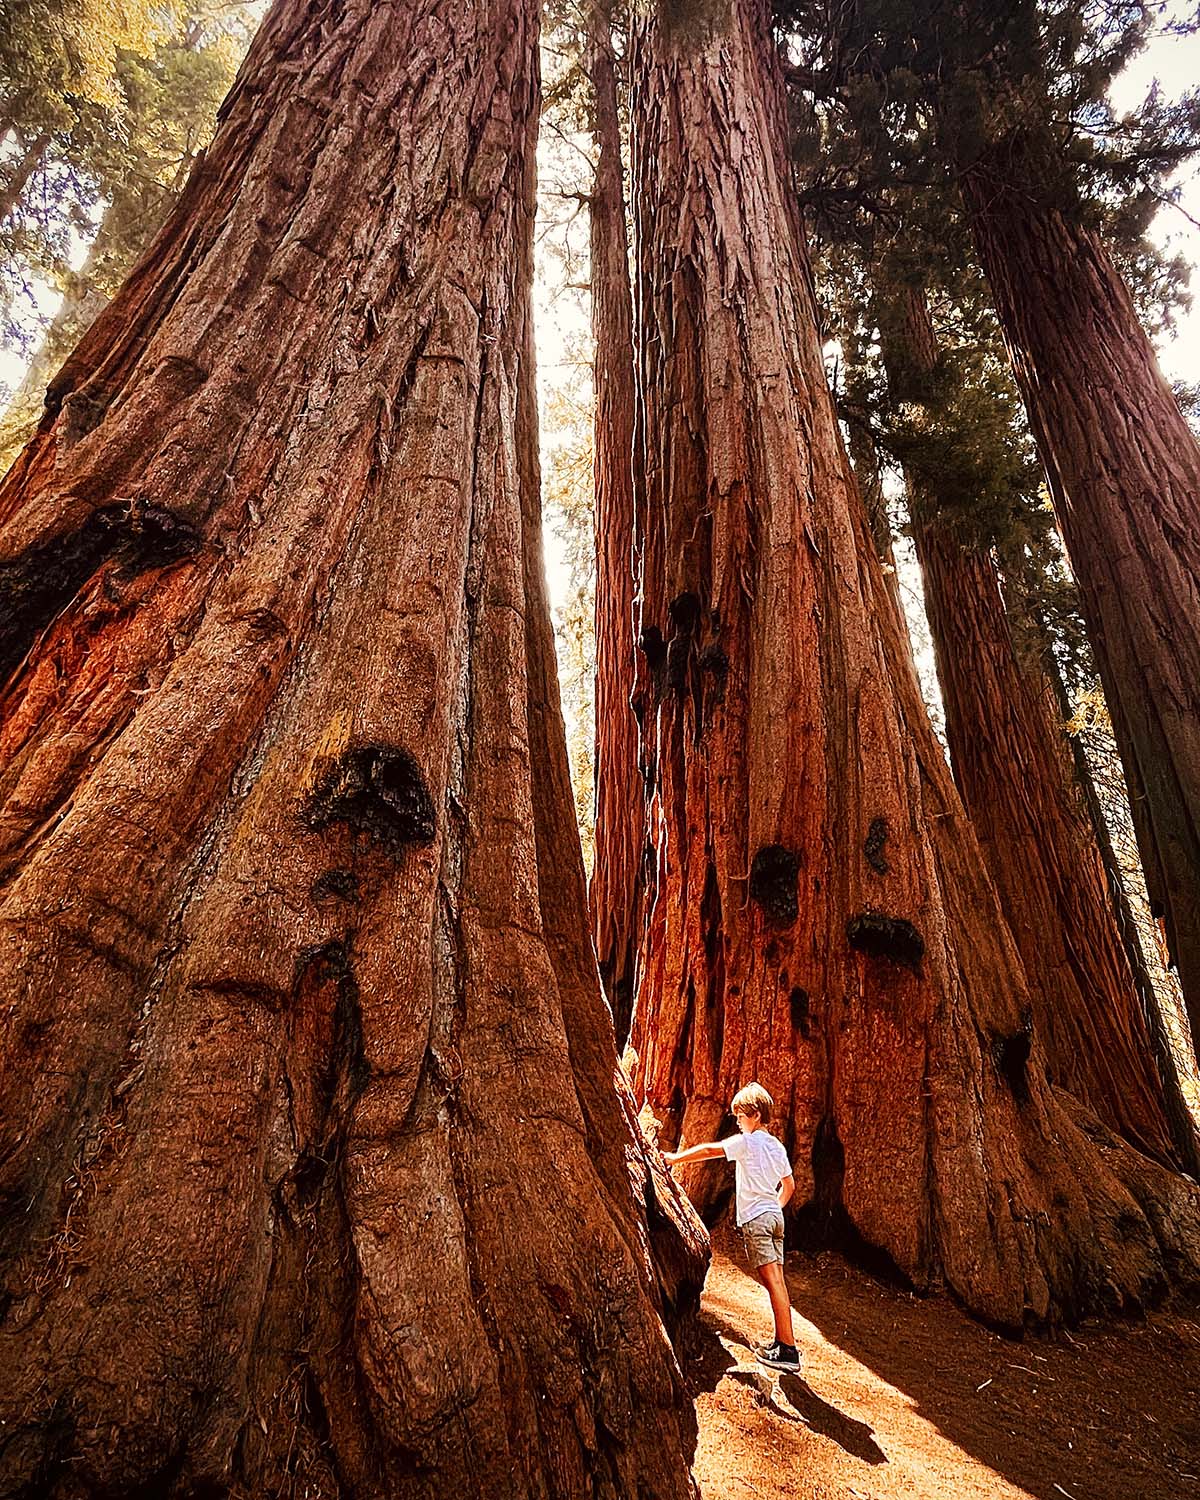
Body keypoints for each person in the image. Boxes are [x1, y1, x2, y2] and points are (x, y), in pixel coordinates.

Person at [663, 1082, 800, 1373]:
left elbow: (710, 1150)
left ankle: (788, 1350)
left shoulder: (747, 1142)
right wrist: (773, 1208)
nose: (737, 1121)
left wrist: (676, 1157)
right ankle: (782, 1344)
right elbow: (789, 1185)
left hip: (758, 1220)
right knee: (777, 1281)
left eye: (740, 1116)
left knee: (773, 1282)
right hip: (775, 1217)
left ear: (755, 1115)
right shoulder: (776, 1146)